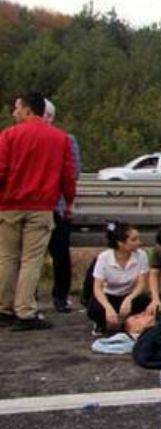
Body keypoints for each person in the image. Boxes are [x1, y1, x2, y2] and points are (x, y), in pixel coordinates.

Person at [0, 92, 77, 331]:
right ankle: (25, 311)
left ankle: (4, 308)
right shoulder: (60, 138)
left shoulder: (8, 136)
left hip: (10, 205)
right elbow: (68, 175)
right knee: (31, 260)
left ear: (28, 110)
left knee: (7, 258)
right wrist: (69, 202)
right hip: (42, 206)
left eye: (17, 108)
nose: (14, 113)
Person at [42, 99, 82, 314]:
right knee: (57, 254)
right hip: (54, 204)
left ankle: (60, 295)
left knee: (59, 255)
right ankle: (57, 297)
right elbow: (73, 172)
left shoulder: (66, 140)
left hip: (54, 204)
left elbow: (73, 172)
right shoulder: (66, 139)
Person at [85, 220, 151, 335]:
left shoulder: (141, 255)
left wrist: (129, 298)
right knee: (94, 308)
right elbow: (97, 288)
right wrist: (107, 308)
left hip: (129, 294)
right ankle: (102, 323)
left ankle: (127, 323)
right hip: (109, 295)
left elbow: (142, 283)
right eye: (134, 239)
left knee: (146, 303)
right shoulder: (104, 258)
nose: (139, 243)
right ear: (121, 243)